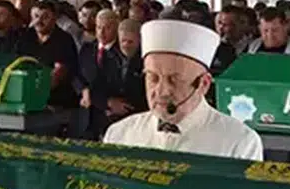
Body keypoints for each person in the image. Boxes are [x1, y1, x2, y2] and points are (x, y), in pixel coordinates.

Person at [104, 20, 262, 160]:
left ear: (203, 84)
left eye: (174, 80)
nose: (162, 91)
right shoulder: (120, 135)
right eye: (153, 78)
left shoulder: (239, 142)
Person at [14, 0, 80, 108]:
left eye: (45, 17)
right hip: (24, 93)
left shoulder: (64, 40)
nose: (39, 21)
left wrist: (37, 93)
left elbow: (59, 72)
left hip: (56, 99)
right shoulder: (24, 36)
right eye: (36, 16)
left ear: (54, 18)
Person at [74, 10, 128, 138]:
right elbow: (76, 75)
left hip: (110, 118)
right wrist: (83, 89)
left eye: (107, 28)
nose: (101, 32)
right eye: (98, 27)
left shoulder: (122, 54)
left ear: (116, 28)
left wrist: (104, 101)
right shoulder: (87, 49)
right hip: (86, 116)